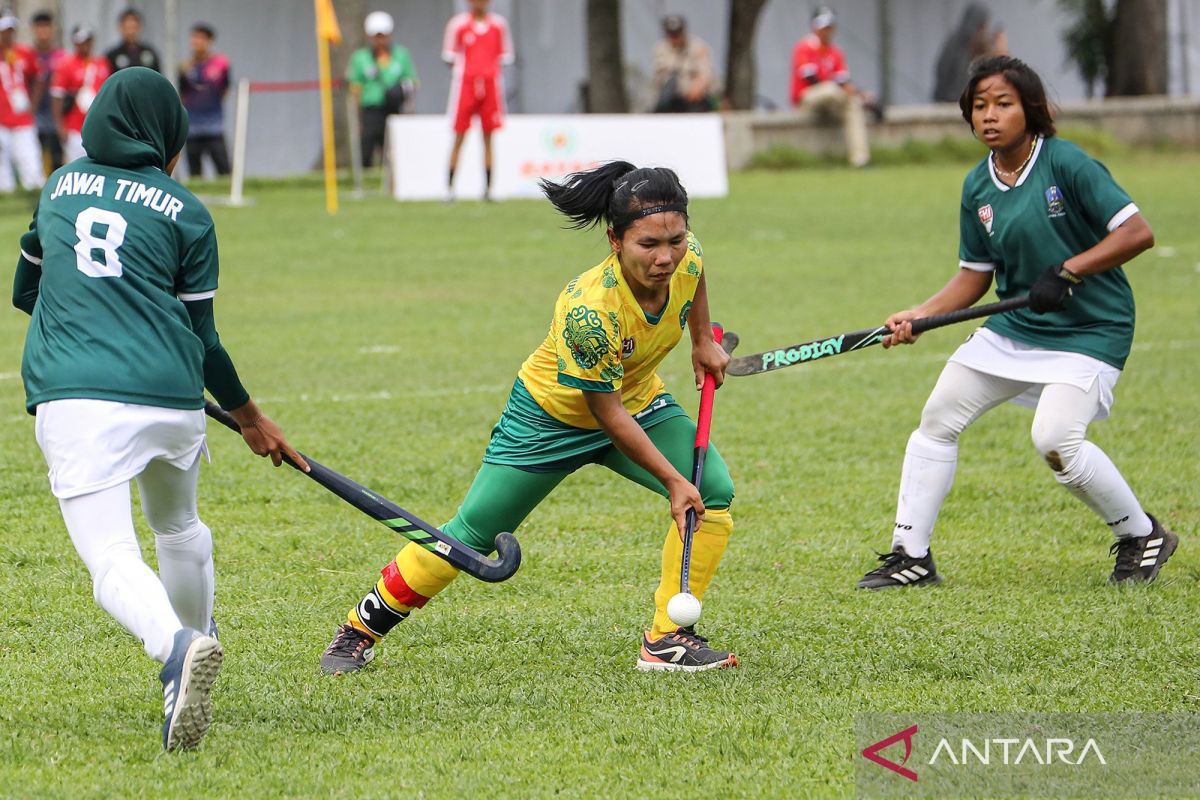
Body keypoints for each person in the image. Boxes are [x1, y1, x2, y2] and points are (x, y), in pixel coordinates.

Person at [319, 161, 739, 675]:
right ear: (614, 239)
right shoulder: (591, 309)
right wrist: (672, 480)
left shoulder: (686, 258)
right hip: (550, 419)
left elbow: (693, 281)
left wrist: (700, 341)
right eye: (648, 245)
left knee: (712, 492)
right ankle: (359, 630)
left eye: (675, 240)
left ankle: (667, 638)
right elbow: (604, 415)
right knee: (471, 534)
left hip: (636, 401)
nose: (666, 256)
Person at [12, 66, 305, 750]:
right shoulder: (186, 209)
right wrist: (251, 417)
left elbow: (28, 290)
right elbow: (203, 340)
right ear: (167, 133)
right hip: (172, 400)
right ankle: (201, 639)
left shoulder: (58, 187)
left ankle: (175, 649)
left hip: (79, 398)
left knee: (113, 557)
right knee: (178, 524)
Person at [856, 55, 1177, 591]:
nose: (989, 116)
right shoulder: (977, 186)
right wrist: (920, 314)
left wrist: (1070, 270)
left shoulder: (1068, 164)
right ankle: (910, 556)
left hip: (1090, 329)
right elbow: (973, 277)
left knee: (1055, 439)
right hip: (1016, 330)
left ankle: (1141, 533)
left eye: (1003, 104)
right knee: (937, 419)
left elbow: (1137, 234)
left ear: (1030, 109)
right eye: (979, 106)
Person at [442, 0, 513, 201]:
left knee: (489, 137)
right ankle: (449, 188)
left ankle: (489, 189)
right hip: (465, 85)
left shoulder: (498, 25)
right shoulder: (458, 25)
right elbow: (449, 56)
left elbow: (504, 57)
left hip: (490, 85)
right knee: (459, 135)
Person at [790, 6, 870, 167]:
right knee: (832, 89)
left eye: (830, 27)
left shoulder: (836, 52)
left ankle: (860, 159)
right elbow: (811, 79)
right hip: (808, 99)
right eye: (823, 27)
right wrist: (845, 90)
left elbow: (843, 80)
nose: (827, 31)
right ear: (814, 27)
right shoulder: (804, 48)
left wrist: (859, 94)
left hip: (833, 100)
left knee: (853, 105)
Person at [346, 10, 418, 168]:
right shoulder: (361, 58)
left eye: (383, 35)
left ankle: (393, 179)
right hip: (371, 109)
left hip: (395, 108)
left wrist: (401, 91)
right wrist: (358, 114)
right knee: (368, 145)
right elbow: (355, 86)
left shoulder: (401, 55)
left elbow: (412, 81)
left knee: (394, 148)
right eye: (376, 36)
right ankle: (367, 179)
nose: (380, 40)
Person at [50, 24, 110, 164]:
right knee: (76, 165)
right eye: (81, 41)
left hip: (98, 127)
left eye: (88, 40)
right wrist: (60, 127)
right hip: (75, 127)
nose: (85, 45)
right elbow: (57, 97)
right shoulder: (66, 65)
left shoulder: (102, 63)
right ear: (74, 42)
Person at [177, 23, 230, 177]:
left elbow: (225, 91)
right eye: (194, 38)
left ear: (209, 41)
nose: (197, 42)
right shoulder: (185, 67)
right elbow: (182, 94)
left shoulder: (220, 64)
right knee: (195, 173)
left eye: (201, 38)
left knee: (224, 170)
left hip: (214, 126)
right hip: (192, 127)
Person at [0, 11, 44, 192]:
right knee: (2, 164)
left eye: (11, 30)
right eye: (5, 30)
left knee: (30, 158)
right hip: (1, 118)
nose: (8, 34)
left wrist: (33, 106)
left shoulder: (24, 52)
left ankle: (35, 195)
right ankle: (5, 197)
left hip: (23, 117)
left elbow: (39, 78)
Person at [931, 3, 1007, 103]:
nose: (985, 32)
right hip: (949, 103)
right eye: (982, 28)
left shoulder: (974, 47)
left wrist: (999, 48)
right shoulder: (957, 45)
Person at [651, 15, 714, 113]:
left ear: (683, 31)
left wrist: (695, 88)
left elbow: (705, 76)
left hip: (694, 103)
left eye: (677, 33)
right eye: (671, 33)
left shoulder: (698, 47)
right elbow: (660, 78)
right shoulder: (660, 49)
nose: (674, 37)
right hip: (670, 103)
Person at [29, 10, 65, 173]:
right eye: (39, 27)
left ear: (52, 29)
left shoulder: (60, 56)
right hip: (34, 113)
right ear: (33, 29)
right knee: (33, 154)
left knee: (57, 154)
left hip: (56, 114)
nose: (43, 31)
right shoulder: (28, 55)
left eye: (46, 27)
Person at [105, 7, 161, 74]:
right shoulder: (113, 55)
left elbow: (158, 79)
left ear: (140, 27)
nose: (131, 32)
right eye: (128, 28)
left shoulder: (150, 53)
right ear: (121, 28)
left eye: (133, 27)